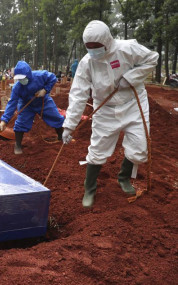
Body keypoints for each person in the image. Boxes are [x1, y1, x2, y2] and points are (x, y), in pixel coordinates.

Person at [62, 20, 159, 208]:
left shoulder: (127, 49)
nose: (92, 51)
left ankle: (123, 177)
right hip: (105, 109)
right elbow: (78, 94)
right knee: (97, 150)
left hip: (133, 103)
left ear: (107, 41)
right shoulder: (86, 63)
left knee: (140, 149)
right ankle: (89, 189)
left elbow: (152, 58)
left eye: (96, 47)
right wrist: (69, 125)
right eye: (88, 47)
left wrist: (131, 78)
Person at [0, 60, 65, 154]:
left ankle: (61, 136)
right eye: (19, 78)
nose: (21, 80)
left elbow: (53, 78)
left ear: (28, 74)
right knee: (21, 122)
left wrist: (45, 90)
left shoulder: (39, 75)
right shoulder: (17, 87)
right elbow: (12, 103)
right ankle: (18, 144)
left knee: (56, 117)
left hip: (43, 101)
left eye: (23, 78)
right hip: (26, 105)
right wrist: (4, 120)